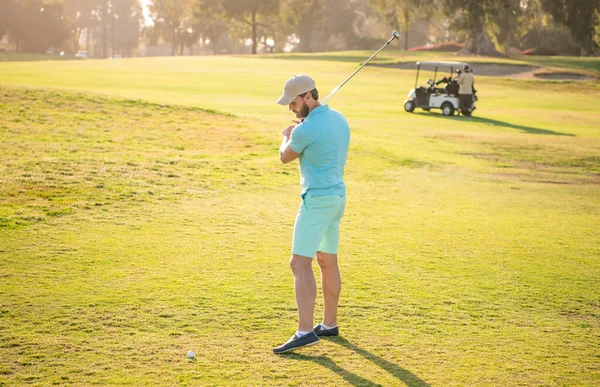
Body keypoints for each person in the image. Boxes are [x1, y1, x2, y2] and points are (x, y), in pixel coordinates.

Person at [272, 74, 350, 354]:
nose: (291, 108)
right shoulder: (339, 119)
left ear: (308, 97)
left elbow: (284, 157)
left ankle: (305, 331)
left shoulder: (303, 130)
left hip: (316, 201)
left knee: (299, 264)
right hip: (337, 197)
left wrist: (288, 136)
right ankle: (329, 324)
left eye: (293, 102)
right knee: (327, 261)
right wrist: (304, 127)